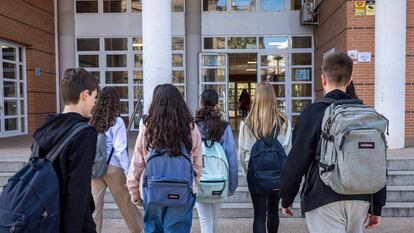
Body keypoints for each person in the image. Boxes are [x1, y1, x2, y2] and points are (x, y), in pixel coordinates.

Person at [280, 52, 386, 233]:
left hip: (323, 198)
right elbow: (377, 162)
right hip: (360, 198)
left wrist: (287, 198)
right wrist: (377, 206)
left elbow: (296, 162)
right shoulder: (366, 114)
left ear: (323, 79)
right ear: (350, 78)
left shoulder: (313, 114)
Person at [127, 84, 202, 233]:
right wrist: (193, 186)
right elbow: (197, 164)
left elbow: (137, 163)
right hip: (182, 190)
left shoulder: (148, 127)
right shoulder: (191, 128)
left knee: (153, 229)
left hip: (153, 190)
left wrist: (134, 192)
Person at [32, 68, 99, 233]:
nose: (95, 103)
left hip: (45, 218)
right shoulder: (84, 133)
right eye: (94, 97)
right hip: (71, 223)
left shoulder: (45, 128)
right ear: (85, 95)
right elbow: (77, 191)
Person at [238, 82, 292, 233]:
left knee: (259, 214)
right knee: (273, 211)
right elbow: (288, 150)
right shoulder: (284, 122)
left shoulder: (247, 123)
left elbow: (242, 153)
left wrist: (247, 172)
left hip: (256, 175)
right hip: (277, 174)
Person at [90, 87, 144, 233]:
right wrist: (129, 172)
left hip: (95, 168)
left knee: (94, 207)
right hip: (114, 168)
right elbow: (120, 150)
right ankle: (140, 230)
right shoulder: (116, 121)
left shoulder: (92, 120)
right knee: (126, 204)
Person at [194, 89, 238, 233]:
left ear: (201, 103)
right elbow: (231, 157)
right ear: (217, 104)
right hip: (219, 180)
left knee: (205, 219)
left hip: (200, 178)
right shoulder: (224, 126)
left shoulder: (194, 126)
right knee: (213, 218)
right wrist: (232, 185)